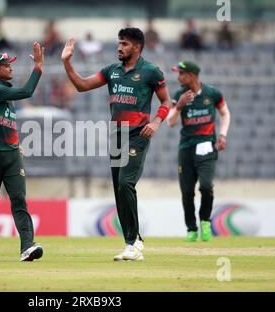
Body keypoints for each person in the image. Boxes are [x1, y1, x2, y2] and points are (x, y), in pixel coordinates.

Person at [61, 28, 172, 261]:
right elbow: (81, 86)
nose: (119, 47)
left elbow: (166, 101)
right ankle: (132, 243)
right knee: (119, 191)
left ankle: (134, 243)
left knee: (125, 183)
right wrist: (67, 62)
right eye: (118, 43)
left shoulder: (151, 72)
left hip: (138, 134)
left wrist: (157, 122)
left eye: (124, 44)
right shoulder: (111, 71)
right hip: (117, 135)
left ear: (137, 47)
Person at [0, 43, 45, 262]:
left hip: (12, 155)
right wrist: (38, 67)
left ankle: (27, 246)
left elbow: (6, 123)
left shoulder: (4, 94)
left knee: (19, 199)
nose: (11, 68)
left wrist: (16, 142)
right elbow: (27, 91)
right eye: (7, 65)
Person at [167, 61, 230, 242]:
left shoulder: (212, 94)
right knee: (187, 191)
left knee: (206, 186)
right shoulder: (179, 95)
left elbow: (225, 113)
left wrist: (223, 134)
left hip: (207, 147)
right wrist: (178, 106)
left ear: (192, 75)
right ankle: (191, 228)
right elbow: (170, 123)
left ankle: (204, 221)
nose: (178, 77)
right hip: (186, 148)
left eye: (181, 74)